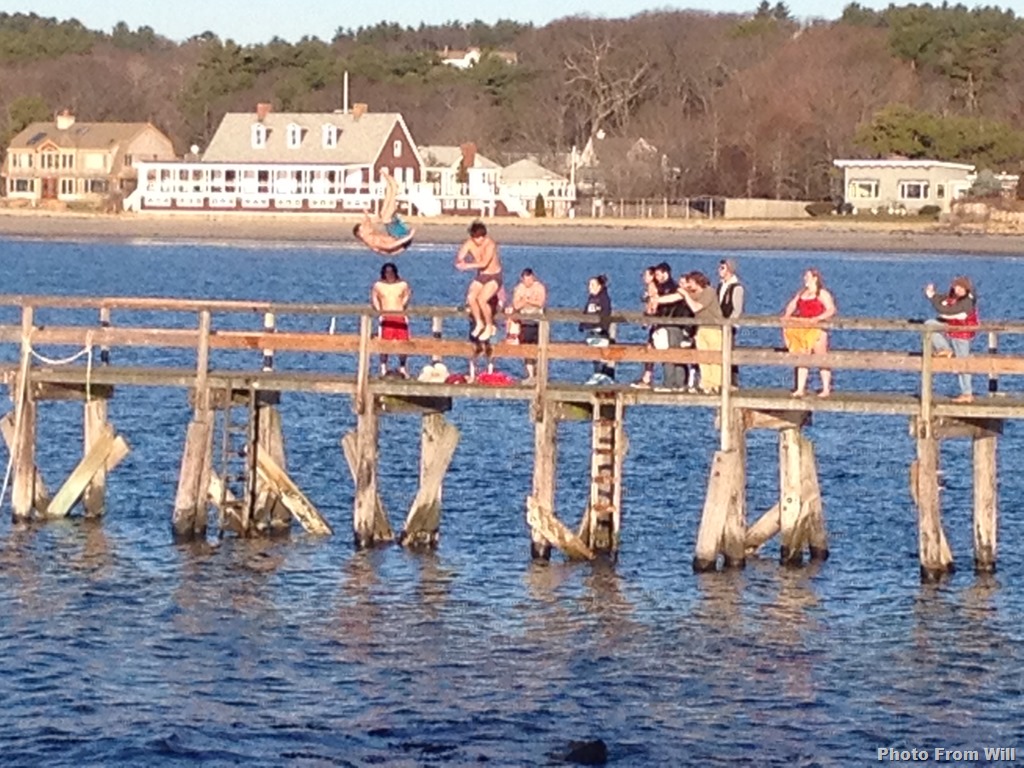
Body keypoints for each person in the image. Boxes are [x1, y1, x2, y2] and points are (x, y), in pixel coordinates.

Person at [782, 268, 836, 398]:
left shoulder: (822, 293)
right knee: (802, 358)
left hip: (817, 329)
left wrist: (818, 318)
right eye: (805, 276)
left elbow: (831, 309)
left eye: (807, 276)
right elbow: (792, 305)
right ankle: (800, 388)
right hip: (802, 329)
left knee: (821, 358)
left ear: (815, 278)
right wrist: (787, 316)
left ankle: (826, 388)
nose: (805, 279)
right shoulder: (802, 293)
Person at [925, 276, 978, 403]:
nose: (957, 290)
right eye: (956, 287)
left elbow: (947, 311)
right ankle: (944, 348)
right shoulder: (954, 297)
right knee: (929, 325)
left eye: (960, 288)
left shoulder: (967, 302)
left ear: (966, 289)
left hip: (963, 334)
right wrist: (932, 295)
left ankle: (967, 393)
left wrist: (933, 300)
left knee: (962, 363)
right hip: (952, 329)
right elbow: (942, 300)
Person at [455, 221, 503, 341]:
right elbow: (460, 256)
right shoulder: (470, 243)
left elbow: (484, 263)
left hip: (493, 276)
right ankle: (479, 322)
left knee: (482, 299)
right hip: (481, 276)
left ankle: (489, 325)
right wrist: (460, 261)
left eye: (480, 237)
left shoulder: (490, 244)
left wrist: (467, 266)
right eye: (476, 238)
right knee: (471, 297)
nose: (478, 240)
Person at [647, 262, 692, 391]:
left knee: (670, 354)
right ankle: (678, 383)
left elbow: (667, 304)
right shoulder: (666, 288)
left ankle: (671, 383)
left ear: (665, 273)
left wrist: (656, 300)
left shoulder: (670, 288)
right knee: (673, 354)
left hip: (671, 324)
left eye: (658, 274)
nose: (656, 277)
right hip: (670, 325)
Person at [679, 271, 725, 394]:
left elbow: (696, 308)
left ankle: (716, 385)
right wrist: (657, 299)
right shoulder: (694, 294)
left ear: (697, 282)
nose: (688, 285)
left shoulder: (709, 292)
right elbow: (677, 297)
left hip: (714, 329)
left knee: (715, 358)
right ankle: (706, 385)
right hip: (701, 329)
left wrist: (685, 294)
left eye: (690, 282)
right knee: (703, 358)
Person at [353, 170, 415, 255]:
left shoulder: (368, 234)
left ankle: (390, 187)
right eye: (364, 227)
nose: (367, 226)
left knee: (383, 214)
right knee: (386, 218)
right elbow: (389, 246)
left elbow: (367, 221)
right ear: (361, 234)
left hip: (397, 236)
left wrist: (365, 212)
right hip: (402, 239)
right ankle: (394, 188)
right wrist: (409, 236)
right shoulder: (372, 242)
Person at [371, 262, 412, 378]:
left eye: (391, 272)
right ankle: (383, 368)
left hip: (400, 316)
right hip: (386, 317)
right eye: (386, 272)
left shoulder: (402, 284)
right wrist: (380, 311)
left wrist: (402, 306)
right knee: (384, 343)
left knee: (403, 343)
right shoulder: (378, 285)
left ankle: (402, 367)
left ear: (395, 272)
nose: (389, 274)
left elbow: (407, 295)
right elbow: (374, 297)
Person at [510, 268, 547, 383]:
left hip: (538, 322)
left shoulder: (539, 287)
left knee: (539, 349)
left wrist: (527, 301)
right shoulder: (519, 288)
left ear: (533, 277)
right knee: (526, 349)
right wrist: (525, 301)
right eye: (526, 280)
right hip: (525, 322)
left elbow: (540, 303)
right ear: (522, 279)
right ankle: (530, 375)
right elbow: (516, 305)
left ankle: (539, 374)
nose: (528, 283)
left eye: (530, 280)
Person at [579, 274, 615, 384]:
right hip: (592, 331)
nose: (589, 287)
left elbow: (605, 314)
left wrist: (602, 327)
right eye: (589, 285)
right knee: (595, 355)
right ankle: (598, 375)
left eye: (592, 285)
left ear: (599, 286)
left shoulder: (604, 299)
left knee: (600, 354)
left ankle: (602, 376)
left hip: (600, 331)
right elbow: (586, 312)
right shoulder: (591, 299)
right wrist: (582, 325)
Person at [717, 258, 745, 386]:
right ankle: (721, 380)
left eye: (722, 268)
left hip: (729, 326)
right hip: (719, 324)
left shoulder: (736, 287)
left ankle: (733, 382)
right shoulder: (721, 285)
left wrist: (729, 324)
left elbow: (737, 309)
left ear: (729, 270)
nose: (719, 270)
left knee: (730, 352)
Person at [631, 266, 659, 388]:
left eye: (646, 275)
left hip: (654, 321)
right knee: (650, 347)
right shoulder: (651, 287)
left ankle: (647, 377)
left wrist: (648, 318)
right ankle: (646, 376)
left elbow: (653, 304)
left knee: (650, 348)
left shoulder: (652, 287)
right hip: (653, 321)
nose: (644, 277)